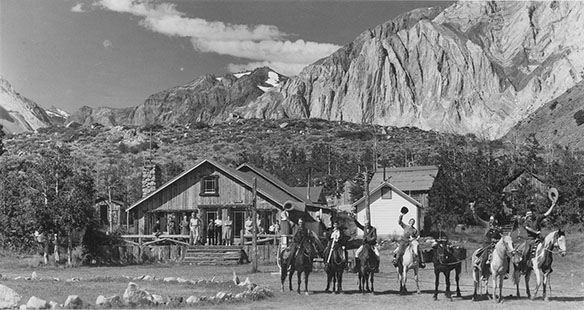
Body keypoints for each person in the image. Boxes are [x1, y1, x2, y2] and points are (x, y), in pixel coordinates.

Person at [469, 201, 504, 279]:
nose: (492, 223)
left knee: (505, 256)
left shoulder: (498, 228)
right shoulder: (486, 224)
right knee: (485, 257)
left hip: (495, 245)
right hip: (487, 244)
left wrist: (498, 238)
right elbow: (477, 219)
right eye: (491, 222)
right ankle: (484, 273)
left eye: (494, 222)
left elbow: (501, 236)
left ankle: (505, 272)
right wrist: (473, 210)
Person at [523, 199, 557, 266]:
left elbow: (546, 214)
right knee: (526, 251)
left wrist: (552, 205)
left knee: (548, 247)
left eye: (531, 214)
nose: (530, 216)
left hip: (539, 238)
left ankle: (547, 264)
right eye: (528, 216)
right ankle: (525, 264)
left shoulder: (537, 218)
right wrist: (536, 232)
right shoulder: (526, 222)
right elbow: (528, 228)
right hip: (530, 239)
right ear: (527, 217)